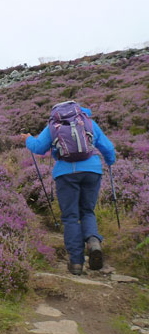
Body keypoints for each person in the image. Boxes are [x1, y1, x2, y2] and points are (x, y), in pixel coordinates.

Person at [21, 102, 116, 276]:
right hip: (92, 170)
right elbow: (108, 148)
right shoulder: (88, 122)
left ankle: (76, 263)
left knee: (71, 217)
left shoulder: (53, 126)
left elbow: (38, 148)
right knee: (87, 211)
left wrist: (27, 138)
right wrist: (110, 161)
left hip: (66, 174)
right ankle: (94, 241)